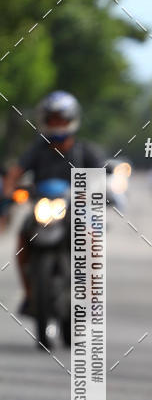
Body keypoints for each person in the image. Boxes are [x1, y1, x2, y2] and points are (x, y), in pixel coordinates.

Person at [3, 90, 102, 314]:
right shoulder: (36, 149)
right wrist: (10, 191)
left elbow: (100, 180)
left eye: (61, 119)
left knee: (91, 238)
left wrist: (96, 194)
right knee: (21, 240)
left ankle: (91, 295)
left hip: (75, 210)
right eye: (52, 119)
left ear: (71, 120)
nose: (57, 124)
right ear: (44, 120)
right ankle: (30, 295)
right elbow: (15, 173)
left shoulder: (85, 151)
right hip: (42, 208)